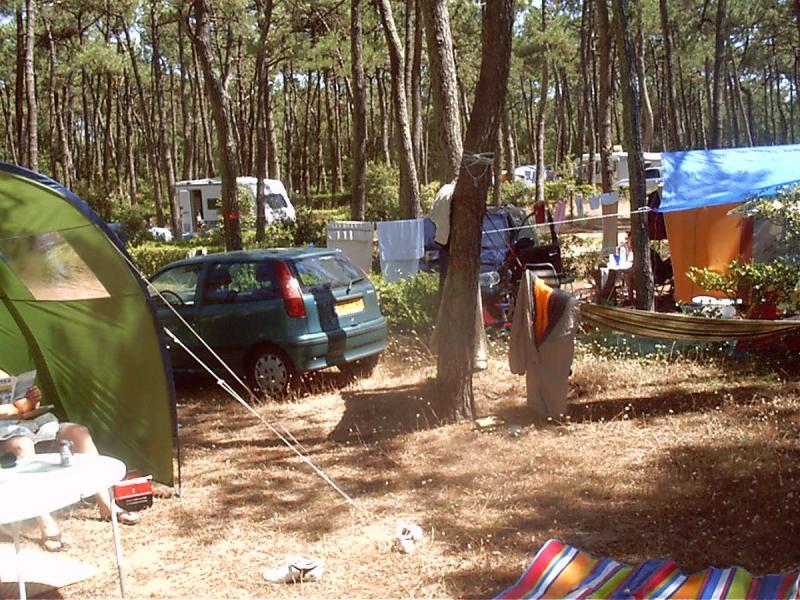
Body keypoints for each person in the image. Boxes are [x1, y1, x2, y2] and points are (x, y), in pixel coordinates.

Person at [0, 383, 140, 552]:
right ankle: (46, 524)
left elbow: (22, 409)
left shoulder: (3, 376)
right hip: (6, 436)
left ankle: (106, 505)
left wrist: (31, 401)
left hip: (26, 426)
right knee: (23, 445)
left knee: (79, 432)